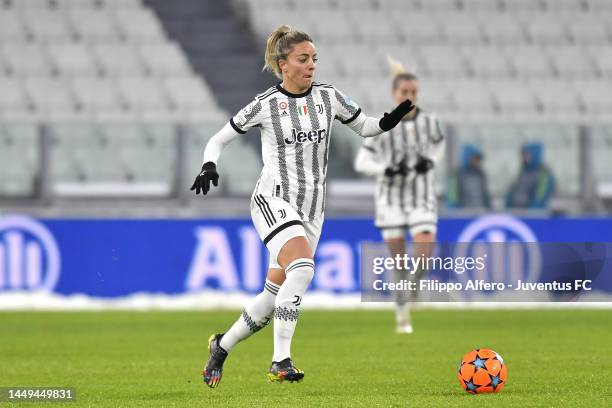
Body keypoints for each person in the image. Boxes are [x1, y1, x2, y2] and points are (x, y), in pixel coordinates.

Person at [191, 25, 415, 387]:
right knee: (303, 267)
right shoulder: (265, 105)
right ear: (283, 65)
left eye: (314, 59)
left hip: (312, 210)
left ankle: (221, 345)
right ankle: (281, 359)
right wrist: (209, 164)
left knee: (271, 297)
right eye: (303, 59)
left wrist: (389, 120)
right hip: (273, 200)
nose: (312, 65)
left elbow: (366, 127)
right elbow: (219, 138)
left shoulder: (329, 98)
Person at [354, 60, 444, 334]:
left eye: (414, 92)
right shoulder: (382, 125)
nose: (410, 97)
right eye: (405, 92)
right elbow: (362, 162)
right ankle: (402, 314)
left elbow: (439, 148)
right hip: (390, 200)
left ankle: (413, 287)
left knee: (425, 254)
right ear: (394, 94)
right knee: (399, 262)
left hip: (421, 198)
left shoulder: (431, 122)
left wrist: (429, 163)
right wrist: (386, 169)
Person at [506, 143, 555, 209]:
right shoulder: (522, 173)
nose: (524, 157)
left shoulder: (544, 175)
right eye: (523, 155)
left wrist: (531, 211)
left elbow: (540, 198)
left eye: (527, 154)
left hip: (531, 215)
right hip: (516, 212)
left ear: (534, 155)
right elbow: (511, 191)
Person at [446, 144, 491, 209]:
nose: (477, 161)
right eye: (475, 158)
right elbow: (452, 197)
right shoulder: (457, 175)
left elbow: (485, 195)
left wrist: (488, 208)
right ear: (467, 157)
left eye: (478, 159)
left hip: (480, 212)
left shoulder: (481, 174)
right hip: (463, 214)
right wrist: (454, 211)